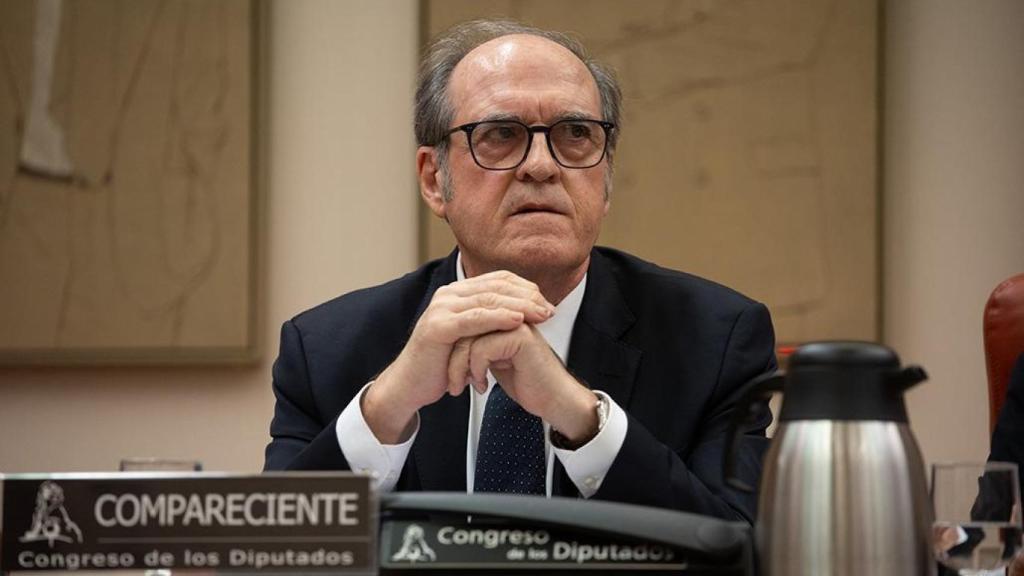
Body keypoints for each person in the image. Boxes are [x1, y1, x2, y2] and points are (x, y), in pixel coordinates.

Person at [264, 19, 776, 523]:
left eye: (575, 133)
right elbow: (268, 555)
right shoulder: (326, 349)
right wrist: (387, 408)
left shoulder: (717, 342)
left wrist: (581, 417)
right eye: (501, 134)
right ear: (434, 179)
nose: (541, 165)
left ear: (607, 179)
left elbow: (737, 554)